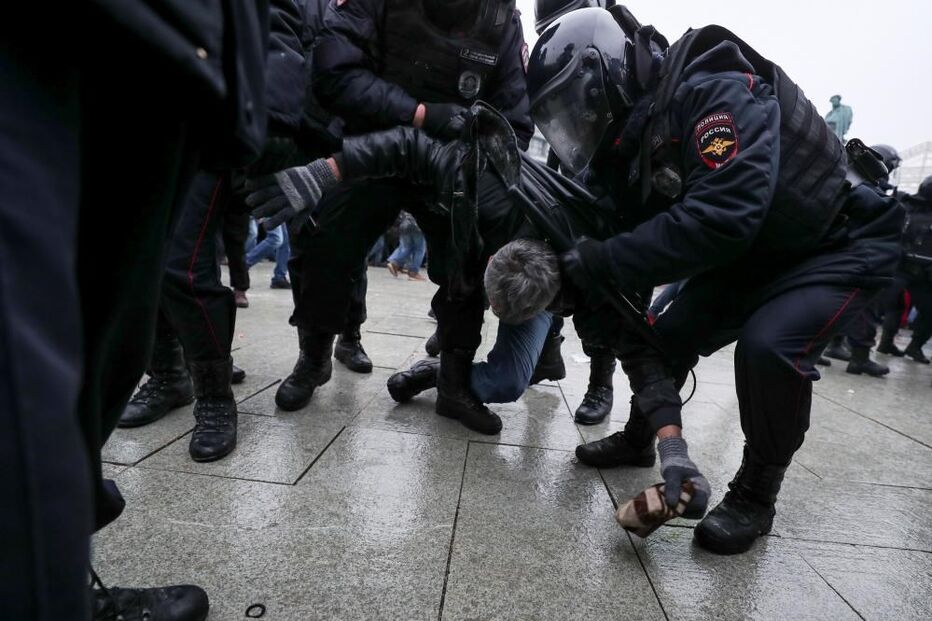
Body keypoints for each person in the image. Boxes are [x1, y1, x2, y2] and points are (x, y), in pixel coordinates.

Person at [527, 8, 902, 553]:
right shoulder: (629, 134)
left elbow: (723, 216)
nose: (573, 130)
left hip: (836, 243)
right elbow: (613, 233)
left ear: (600, 78)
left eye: (572, 110)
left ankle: (756, 493)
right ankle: (641, 439)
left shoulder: (712, 90)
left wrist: (603, 260)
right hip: (757, 251)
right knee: (668, 334)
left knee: (768, 345)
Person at [0, 2, 267, 619]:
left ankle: (64, 573)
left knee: (108, 343)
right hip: (59, 39)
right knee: (26, 379)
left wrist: (254, 96)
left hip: (182, 59)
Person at [267, 0, 534, 435]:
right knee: (327, 241)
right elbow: (333, 73)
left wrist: (474, 145)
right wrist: (419, 114)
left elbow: (514, 123)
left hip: (451, 163)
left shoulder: (501, 19)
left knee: (465, 266)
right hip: (373, 145)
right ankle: (314, 358)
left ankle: (453, 381)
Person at [387, 212, 428, 281]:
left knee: (405, 247)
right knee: (420, 250)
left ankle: (394, 262)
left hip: (404, 224)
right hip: (417, 226)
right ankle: (413, 272)